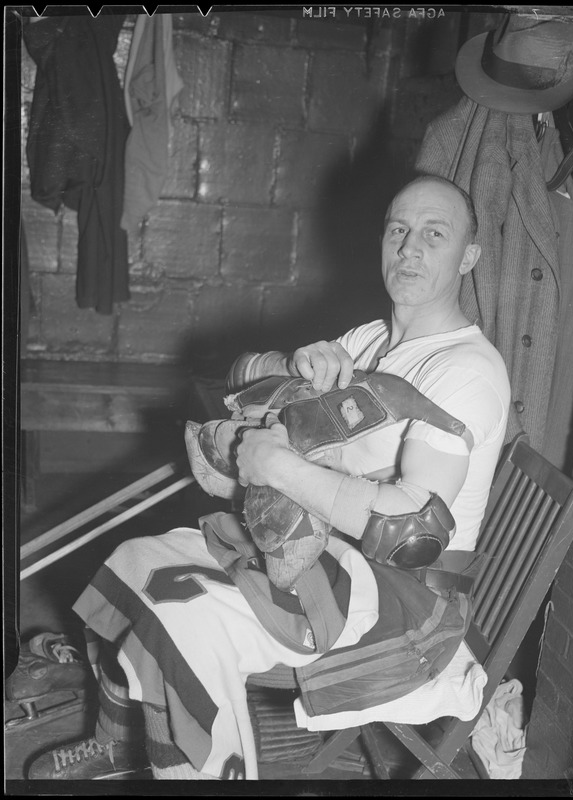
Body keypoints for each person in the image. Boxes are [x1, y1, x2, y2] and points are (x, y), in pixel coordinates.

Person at [27, 174, 511, 780]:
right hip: (324, 554)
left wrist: (276, 465)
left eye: (434, 234)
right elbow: (238, 380)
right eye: (398, 230)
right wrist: (292, 363)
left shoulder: (466, 371)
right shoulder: (370, 339)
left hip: (406, 602)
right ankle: (116, 741)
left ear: (468, 256)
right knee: (137, 558)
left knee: (184, 615)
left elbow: (413, 531)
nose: (410, 248)